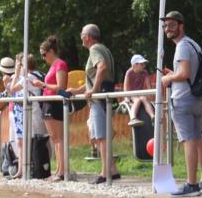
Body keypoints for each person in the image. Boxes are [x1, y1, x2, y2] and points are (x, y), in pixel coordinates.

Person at [160, 11, 202, 196]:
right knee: (198, 140)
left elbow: (184, 73)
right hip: (196, 98)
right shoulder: (193, 44)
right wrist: (173, 73)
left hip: (183, 98)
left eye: (172, 25)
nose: (168, 29)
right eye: (165, 25)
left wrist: (168, 79)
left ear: (181, 26)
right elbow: (186, 71)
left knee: (188, 141)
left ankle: (191, 184)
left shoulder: (182, 46)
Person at [69, 24, 119, 184]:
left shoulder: (94, 49)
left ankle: (105, 173)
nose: (80, 37)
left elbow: (102, 68)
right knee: (98, 135)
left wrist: (94, 90)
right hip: (102, 96)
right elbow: (95, 77)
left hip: (99, 99)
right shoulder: (103, 48)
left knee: (101, 136)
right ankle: (112, 169)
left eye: (82, 34)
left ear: (88, 36)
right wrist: (78, 90)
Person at [32, 36, 69, 180]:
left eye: (44, 54)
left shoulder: (60, 64)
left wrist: (43, 85)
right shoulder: (53, 66)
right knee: (54, 139)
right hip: (48, 102)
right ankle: (59, 170)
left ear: (52, 51)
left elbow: (61, 87)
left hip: (55, 103)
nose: (43, 58)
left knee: (59, 139)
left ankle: (62, 171)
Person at [124, 55, 155, 128]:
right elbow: (125, 86)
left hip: (140, 93)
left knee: (144, 99)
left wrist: (150, 94)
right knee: (137, 100)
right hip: (131, 93)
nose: (144, 66)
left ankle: (153, 116)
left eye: (144, 64)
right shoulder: (129, 72)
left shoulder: (145, 73)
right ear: (135, 65)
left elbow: (148, 86)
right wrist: (127, 98)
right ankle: (133, 118)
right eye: (141, 64)